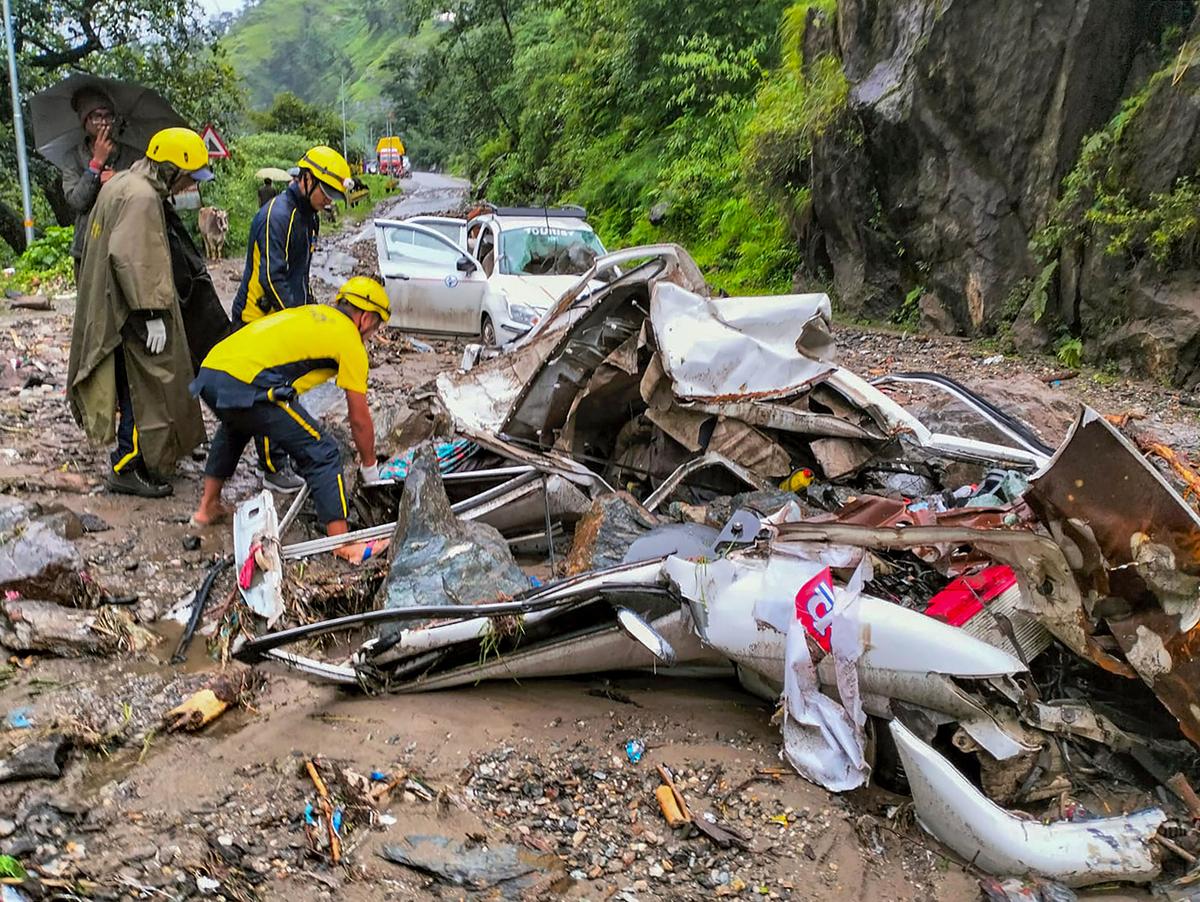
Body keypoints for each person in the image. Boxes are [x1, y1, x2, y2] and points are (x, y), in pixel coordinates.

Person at [189, 277, 391, 564]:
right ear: (365, 318)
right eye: (376, 326)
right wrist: (370, 469)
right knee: (324, 452)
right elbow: (359, 418)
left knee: (236, 426)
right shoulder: (350, 340)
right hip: (250, 384)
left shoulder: (313, 313)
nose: (372, 333)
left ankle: (206, 508)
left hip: (212, 370)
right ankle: (343, 544)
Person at [67, 127, 214, 497]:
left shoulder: (125, 182)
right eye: (188, 179)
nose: (187, 188)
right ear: (172, 170)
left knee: (131, 382)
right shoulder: (142, 197)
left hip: (112, 301)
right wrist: (150, 313)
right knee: (143, 385)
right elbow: (133, 258)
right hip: (130, 308)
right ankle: (126, 464)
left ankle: (149, 455)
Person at [229, 145, 353, 493]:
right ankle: (272, 467)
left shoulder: (309, 216)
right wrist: (296, 322)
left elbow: (300, 272)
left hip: (286, 313)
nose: (328, 200)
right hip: (259, 317)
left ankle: (272, 455)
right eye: (326, 192)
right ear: (307, 179)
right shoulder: (277, 216)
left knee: (279, 392)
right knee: (271, 393)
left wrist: (312, 310)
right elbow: (272, 277)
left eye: (333, 195)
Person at [60, 87, 140, 276]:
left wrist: (120, 180)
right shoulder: (72, 158)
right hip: (87, 245)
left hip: (125, 244)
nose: (103, 123)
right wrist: (96, 164)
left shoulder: (131, 155)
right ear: (85, 121)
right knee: (90, 304)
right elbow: (77, 201)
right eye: (96, 117)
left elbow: (144, 193)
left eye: (108, 116)